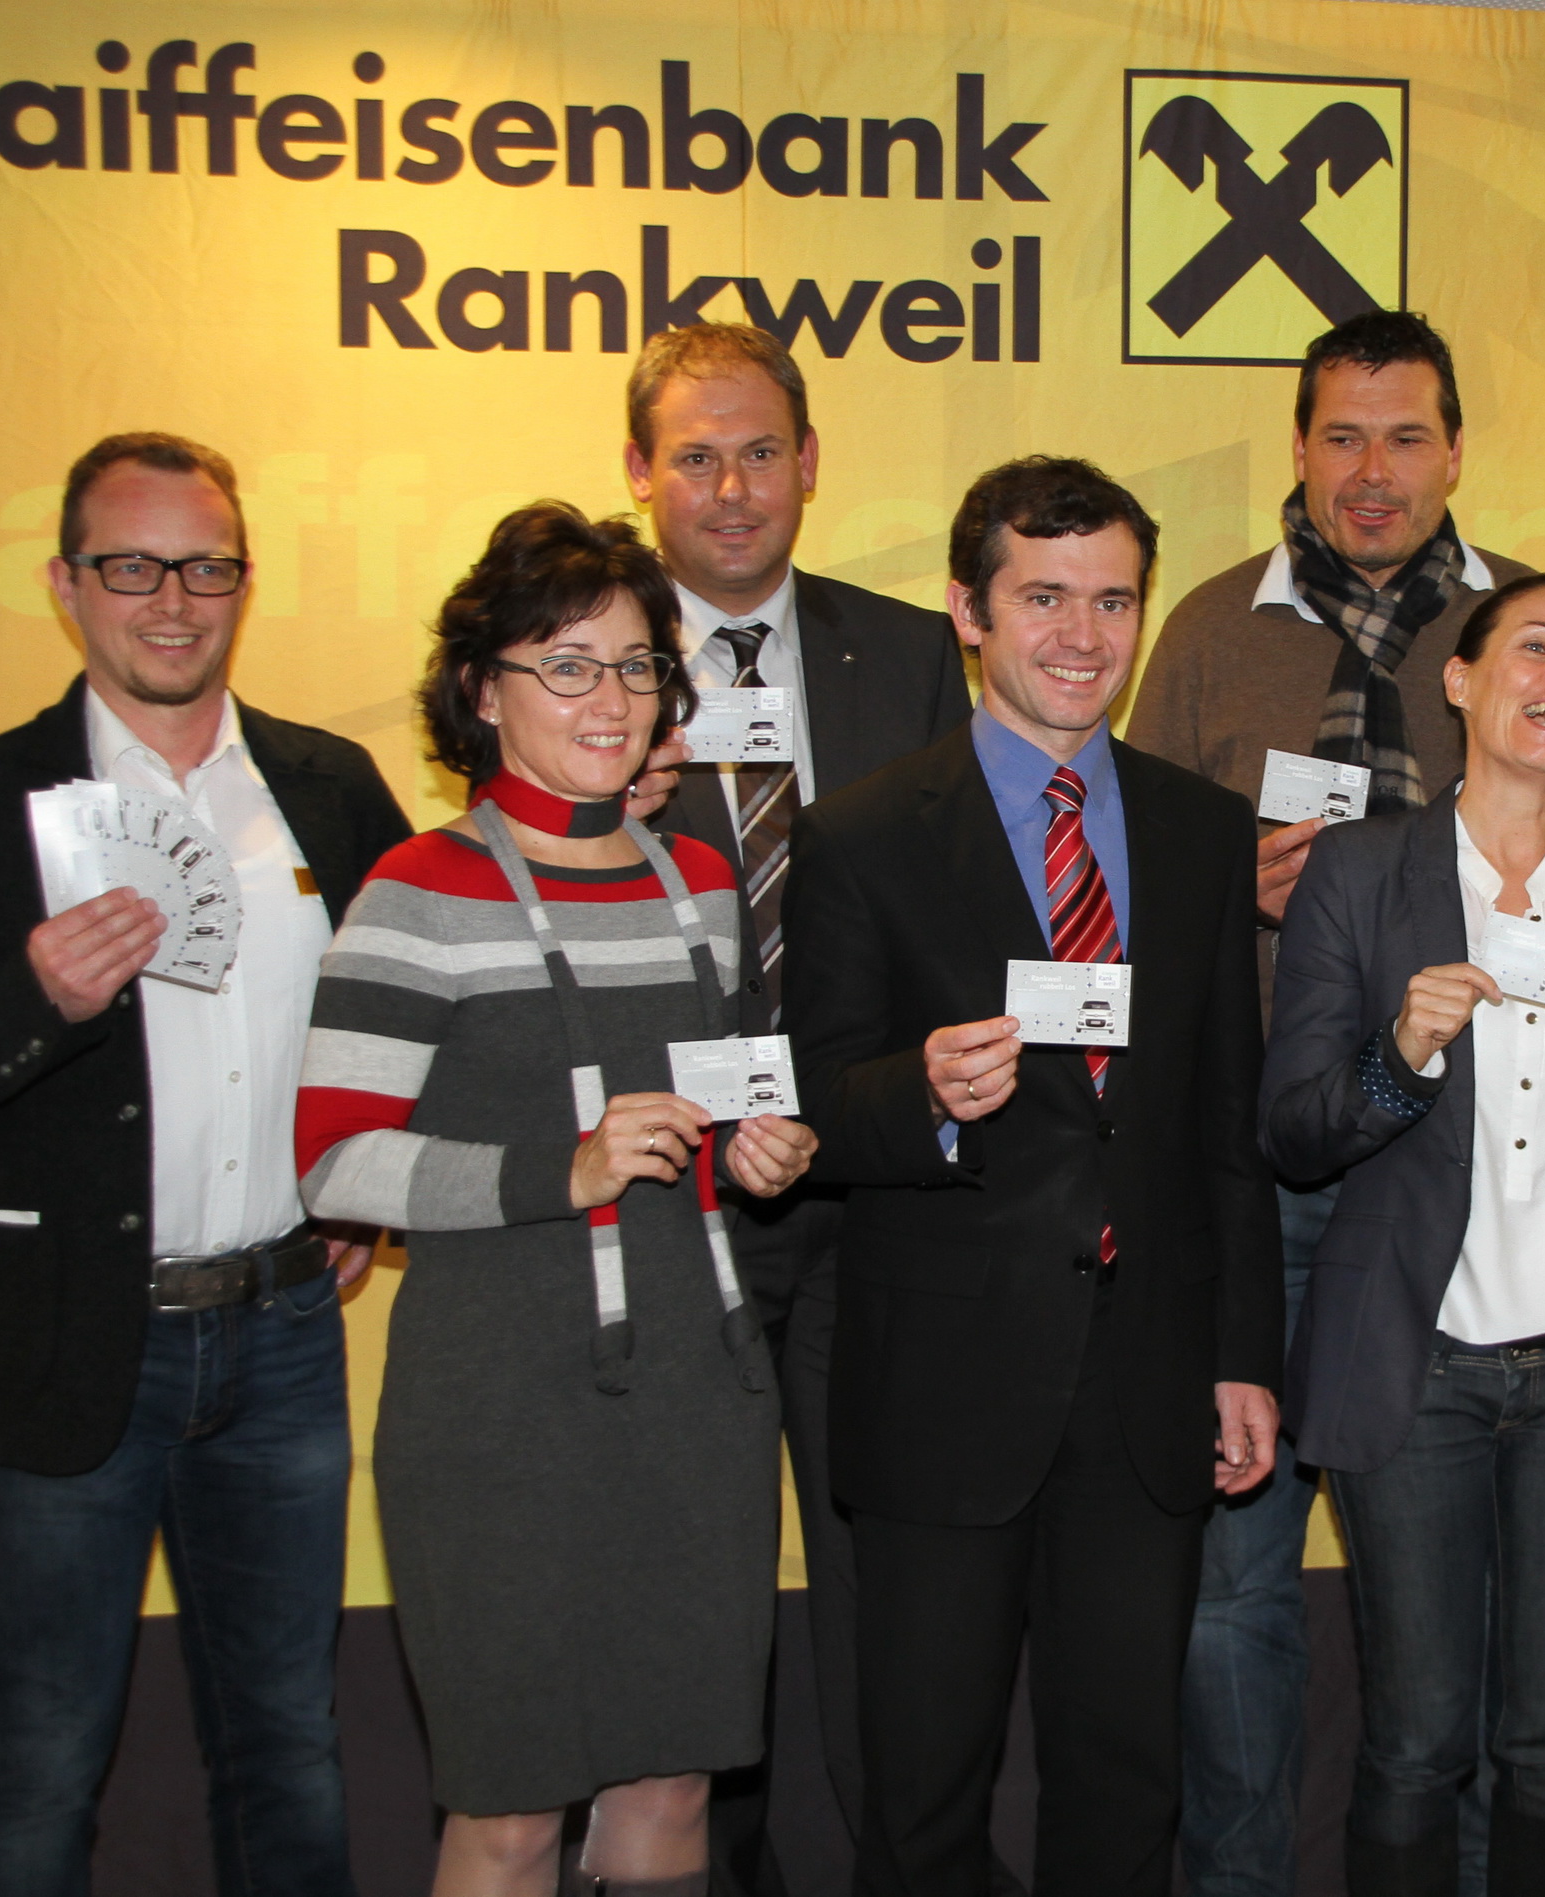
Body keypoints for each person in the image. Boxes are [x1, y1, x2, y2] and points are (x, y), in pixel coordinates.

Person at [0, 433, 411, 1896]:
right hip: (59, 1338)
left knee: (290, 1742)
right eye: (133, 566)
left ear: (244, 584)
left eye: (205, 567)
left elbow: (411, 1016)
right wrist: (34, 996)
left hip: (280, 1337)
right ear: (65, 583)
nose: (172, 601)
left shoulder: (326, 786)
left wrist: (361, 1181)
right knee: (41, 1759)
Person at [1125, 308, 1545, 1897]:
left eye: (1406, 436)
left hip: (1476, 1186)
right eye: (1341, 436)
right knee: (1234, 1591)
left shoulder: (1533, 637)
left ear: (1454, 451)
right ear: (1297, 448)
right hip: (1264, 1173)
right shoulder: (1210, 631)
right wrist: (1231, 890)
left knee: (1477, 1628)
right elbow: (1125, 904)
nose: (1371, 471)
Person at [293, 503, 819, 1897]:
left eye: (636, 665)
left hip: (698, 1399)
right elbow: (334, 1163)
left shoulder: (699, 881)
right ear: (484, 690)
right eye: (568, 666)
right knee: (513, 1813)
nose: (612, 700)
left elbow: (721, 1095)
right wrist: (561, 1169)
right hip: (498, 1421)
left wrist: (755, 1147)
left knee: (671, 1792)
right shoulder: (417, 890)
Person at [783, 457, 1284, 1897]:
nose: (1082, 634)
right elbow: (815, 1104)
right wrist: (925, 1097)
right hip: (943, 1382)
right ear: (969, 611)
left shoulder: (1199, 830)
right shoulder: (863, 832)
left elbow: (1225, 1121)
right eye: (1045, 596)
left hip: (1146, 1380)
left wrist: (1243, 1353)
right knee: (925, 1794)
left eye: (1113, 600)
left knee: (1125, 1784)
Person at [1261, 574, 1545, 1897]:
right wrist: (1400, 1053)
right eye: (1537, 649)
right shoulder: (1361, 873)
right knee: (1416, 1742)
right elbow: (1292, 1132)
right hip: (1411, 1370)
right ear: (1460, 682)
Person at [615, 320, 971, 1895]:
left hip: (863, 1193)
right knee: (687, 1577)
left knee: (873, 1574)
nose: (732, 488)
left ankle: (883, 1864)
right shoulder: (590, 660)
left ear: (810, 463)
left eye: (760, 451)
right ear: (640, 474)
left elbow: (952, 906)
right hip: (662, 1195)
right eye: (694, 456)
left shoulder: (905, 654)